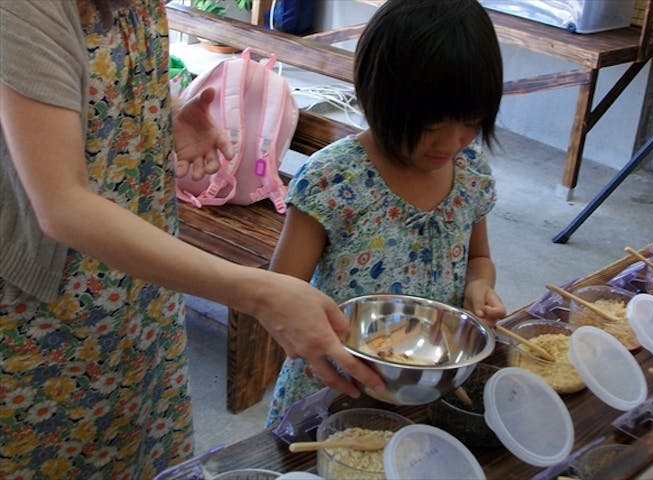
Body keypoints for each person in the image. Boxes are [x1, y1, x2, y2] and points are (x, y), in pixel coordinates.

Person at [0, 1, 384, 477]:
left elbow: (87, 80)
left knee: (136, 445)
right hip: (48, 311)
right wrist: (257, 292)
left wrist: (169, 109)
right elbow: (62, 206)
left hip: (142, 283)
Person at [265, 0, 507, 428]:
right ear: (381, 99)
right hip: (335, 383)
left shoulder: (469, 172)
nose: (450, 143)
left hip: (427, 382)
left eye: (470, 121)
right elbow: (280, 294)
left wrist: (480, 286)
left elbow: (478, 259)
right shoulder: (334, 179)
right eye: (431, 126)